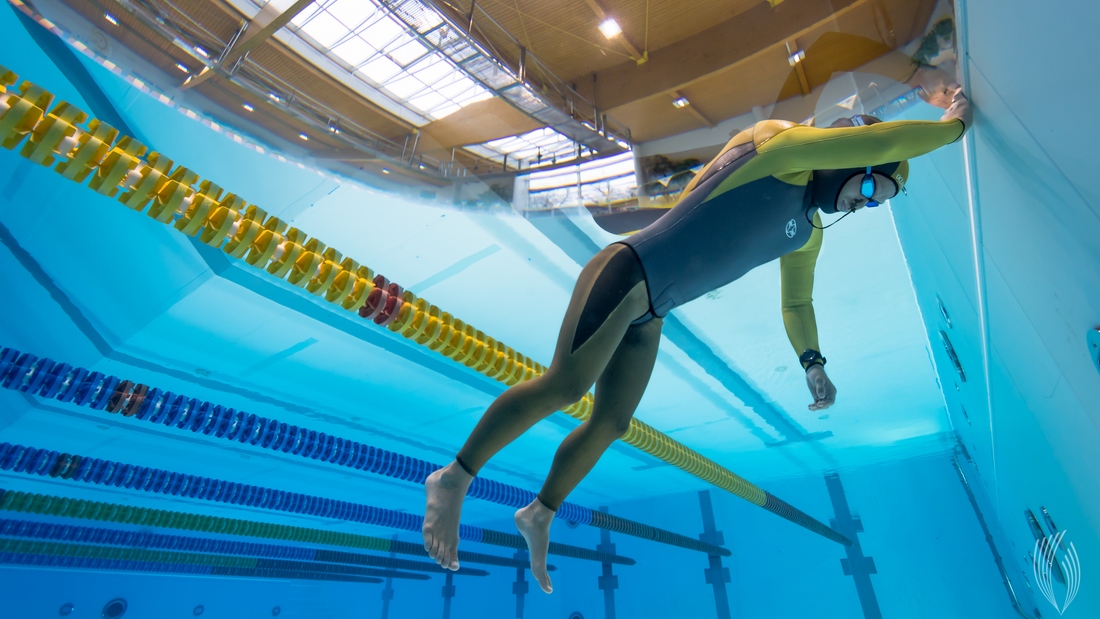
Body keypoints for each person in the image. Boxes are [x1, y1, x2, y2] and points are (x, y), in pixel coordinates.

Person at [422, 89, 974, 593]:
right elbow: (884, 140)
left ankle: (539, 512)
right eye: (872, 187)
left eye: (879, 202)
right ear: (855, 157)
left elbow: (796, 303)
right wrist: (952, 127)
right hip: (627, 270)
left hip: (652, 311)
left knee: (612, 423)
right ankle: (454, 477)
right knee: (567, 386)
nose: (867, 203)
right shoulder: (775, 148)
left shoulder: (807, 231)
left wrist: (812, 362)